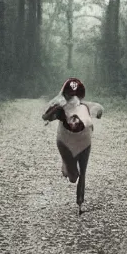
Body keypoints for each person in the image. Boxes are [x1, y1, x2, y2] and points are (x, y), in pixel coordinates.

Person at [42, 78, 104, 215]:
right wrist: (54, 111)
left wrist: (97, 112)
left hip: (84, 141)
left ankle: (80, 202)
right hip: (65, 141)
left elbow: (98, 109)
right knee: (73, 176)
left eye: (75, 94)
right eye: (70, 94)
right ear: (65, 95)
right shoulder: (60, 107)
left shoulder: (86, 106)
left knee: (83, 171)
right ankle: (67, 165)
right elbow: (45, 116)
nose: (73, 98)